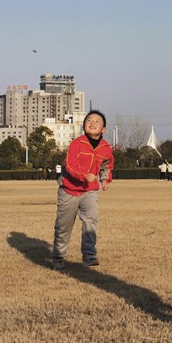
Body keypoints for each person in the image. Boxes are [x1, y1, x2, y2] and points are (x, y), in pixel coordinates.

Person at [51, 110, 114, 270]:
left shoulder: (106, 147)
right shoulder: (76, 144)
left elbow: (107, 164)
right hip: (69, 190)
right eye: (89, 121)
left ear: (103, 129)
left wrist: (105, 178)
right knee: (64, 225)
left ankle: (89, 255)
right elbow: (70, 165)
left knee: (91, 221)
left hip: (90, 191)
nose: (92, 123)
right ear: (84, 126)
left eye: (97, 121)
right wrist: (85, 175)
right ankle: (58, 257)